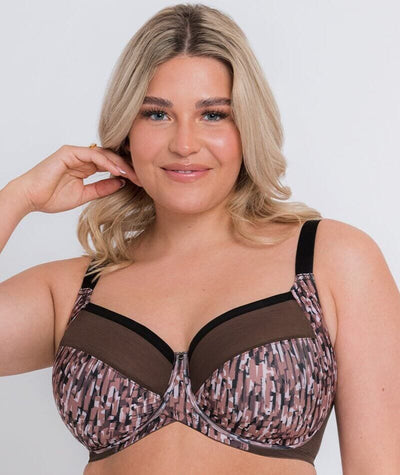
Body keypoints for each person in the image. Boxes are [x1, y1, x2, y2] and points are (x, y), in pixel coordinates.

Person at [1, 3, 399, 475]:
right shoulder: (72, 290)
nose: (184, 144)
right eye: (156, 114)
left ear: (247, 127)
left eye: (213, 115)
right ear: (126, 133)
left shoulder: (329, 260)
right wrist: (19, 196)